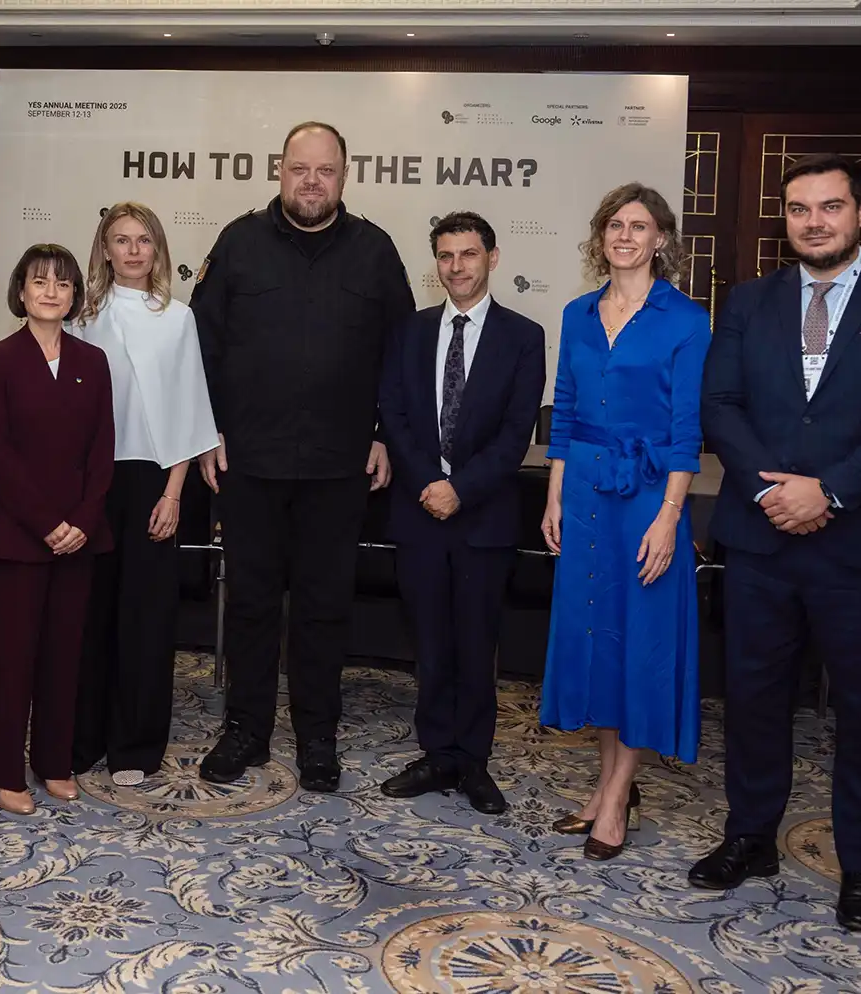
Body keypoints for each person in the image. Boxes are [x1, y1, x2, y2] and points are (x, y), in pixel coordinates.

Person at [693, 154, 861, 933]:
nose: (814, 221)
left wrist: (827, 490)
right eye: (800, 209)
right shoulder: (747, 301)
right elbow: (721, 403)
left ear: (860, 213)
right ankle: (751, 836)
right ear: (786, 217)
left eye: (830, 207)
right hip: (762, 541)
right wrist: (772, 491)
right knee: (753, 700)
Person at [191, 121, 414, 791]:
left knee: (323, 606)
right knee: (253, 603)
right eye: (299, 168)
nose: (310, 181)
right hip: (249, 461)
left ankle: (318, 735)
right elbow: (202, 346)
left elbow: (401, 356)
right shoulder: (238, 243)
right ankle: (245, 731)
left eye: (324, 170)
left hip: (339, 465)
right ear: (279, 171)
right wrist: (208, 430)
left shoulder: (375, 252)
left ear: (344, 177)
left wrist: (384, 434)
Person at [539, 183, 709, 862]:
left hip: (648, 497)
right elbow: (568, 411)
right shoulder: (578, 314)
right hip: (582, 492)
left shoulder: (686, 320)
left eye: (640, 226)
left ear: (661, 239)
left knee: (641, 640)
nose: (626, 236)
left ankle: (615, 797)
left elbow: (685, 431)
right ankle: (611, 782)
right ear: (600, 236)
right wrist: (553, 497)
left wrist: (670, 518)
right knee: (598, 638)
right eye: (615, 224)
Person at [377, 211, 545, 813]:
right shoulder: (410, 331)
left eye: (468, 254)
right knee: (430, 640)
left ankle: (472, 760)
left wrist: (460, 489)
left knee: (476, 642)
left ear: (491, 258)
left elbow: (515, 433)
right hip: (419, 509)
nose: (457, 267)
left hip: (484, 516)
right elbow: (392, 414)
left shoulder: (524, 337)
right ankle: (436, 752)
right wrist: (428, 481)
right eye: (446, 256)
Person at [70, 203, 219, 787]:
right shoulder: (82, 316)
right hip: (92, 483)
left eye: (144, 241)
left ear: (157, 251)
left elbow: (188, 409)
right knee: (88, 614)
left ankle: (135, 745)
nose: (133, 251)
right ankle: (82, 738)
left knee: (146, 617)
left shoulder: (178, 318)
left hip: (155, 482)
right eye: (121, 240)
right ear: (104, 250)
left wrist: (175, 493)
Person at [0, 244, 115, 813]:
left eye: (62, 284)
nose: (51, 292)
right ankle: (7, 771)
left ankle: (54, 762)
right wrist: (46, 523)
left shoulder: (93, 361)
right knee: (14, 661)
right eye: (40, 281)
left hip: (80, 539)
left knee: (65, 656)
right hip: (20, 536)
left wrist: (80, 522)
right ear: (21, 291)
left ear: (74, 295)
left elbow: (103, 450)